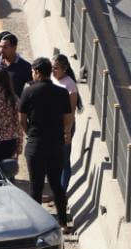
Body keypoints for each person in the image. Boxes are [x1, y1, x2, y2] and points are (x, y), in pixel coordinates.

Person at [18, 57, 74, 228]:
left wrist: (30, 133)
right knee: (56, 184)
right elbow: (67, 118)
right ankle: (63, 223)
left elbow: (22, 119)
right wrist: (60, 133)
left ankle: (37, 225)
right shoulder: (62, 92)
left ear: (36, 72)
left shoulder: (28, 92)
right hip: (56, 144)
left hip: (35, 144)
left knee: (36, 186)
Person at [51, 54, 80, 190]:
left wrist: (67, 131)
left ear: (65, 69)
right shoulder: (52, 79)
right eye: (52, 68)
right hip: (52, 126)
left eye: (56, 68)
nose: (53, 71)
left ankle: (61, 193)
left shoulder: (70, 86)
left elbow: (71, 112)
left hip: (64, 128)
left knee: (63, 162)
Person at [0, 31, 33, 99]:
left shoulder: (25, 67)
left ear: (14, 48)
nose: (1, 50)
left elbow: (31, 90)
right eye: (1, 47)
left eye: (5, 47)